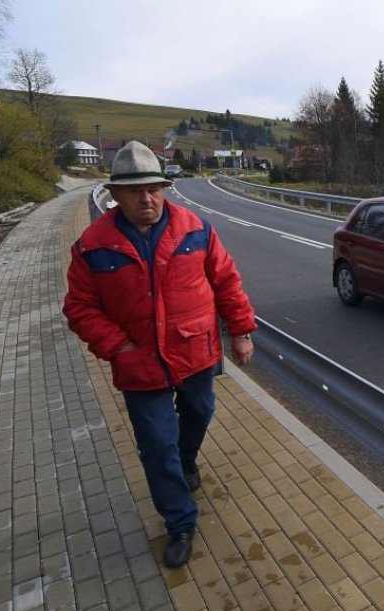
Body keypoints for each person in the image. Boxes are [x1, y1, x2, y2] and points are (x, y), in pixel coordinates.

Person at [63, 141, 256, 568]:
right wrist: (119, 346)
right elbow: (79, 307)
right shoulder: (93, 246)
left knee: (199, 414)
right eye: (134, 191)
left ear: (164, 188)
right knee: (156, 445)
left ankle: (187, 462)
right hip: (139, 363)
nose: (146, 198)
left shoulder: (195, 229)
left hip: (195, 351)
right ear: (114, 194)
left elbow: (226, 281)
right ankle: (180, 522)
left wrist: (241, 330)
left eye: (153, 188)